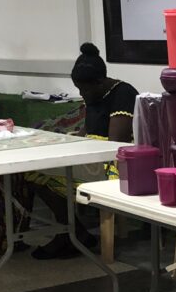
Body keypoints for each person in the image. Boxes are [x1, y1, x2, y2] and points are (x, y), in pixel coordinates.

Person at [28, 42, 137, 260]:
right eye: (79, 89)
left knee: (43, 175)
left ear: (100, 81)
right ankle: (73, 232)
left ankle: (71, 234)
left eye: (84, 90)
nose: (82, 94)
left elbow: (115, 142)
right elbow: (87, 131)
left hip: (114, 163)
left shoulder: (123, 93)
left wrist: (81, 146)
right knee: (34, 173)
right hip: (93, 155)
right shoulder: (94, 94)